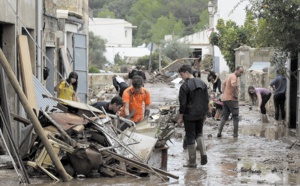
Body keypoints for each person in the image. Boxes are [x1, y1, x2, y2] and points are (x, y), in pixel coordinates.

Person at [177, 65, 210, 168]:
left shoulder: (184, 86)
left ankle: (192, 161)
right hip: (200, 114)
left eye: (182, 75)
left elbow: (183, 104)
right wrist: (206, 113)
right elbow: (206, 100)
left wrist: (180, 117)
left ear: (186, 72)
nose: (182, 77)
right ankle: (203, 153)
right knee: (199, 134)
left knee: (190, 136)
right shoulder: (202, 83)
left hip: (189, 115)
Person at [217, 66, 244, 138]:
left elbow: (223, 84)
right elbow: (233, 84)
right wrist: (234, 93)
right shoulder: (234, 77)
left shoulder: (229, 76)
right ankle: (235, 134)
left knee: (224, 116)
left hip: (225, 99)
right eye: (240, 72)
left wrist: (224, 93)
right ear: (236, 70)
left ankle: (219, 132)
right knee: (235, 117)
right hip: (232, 99)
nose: (241, 74)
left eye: (242, 72)